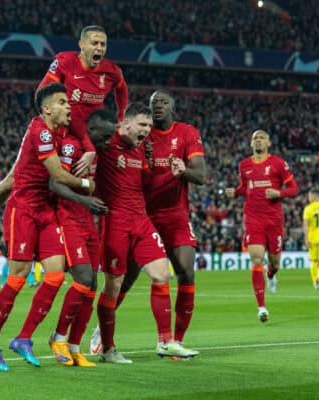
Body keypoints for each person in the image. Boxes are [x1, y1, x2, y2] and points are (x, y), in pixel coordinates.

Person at [0, 25, 128, 246]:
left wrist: (121, 117)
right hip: (61, 132)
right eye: (94, 43)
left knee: (105, 188)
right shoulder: (64, 62)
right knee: (12, 182)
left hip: (90, 138)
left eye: (103, 44)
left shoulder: (111, 70)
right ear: (81, 45)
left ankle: (103, 249)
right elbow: (41, 95)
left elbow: (121, 87)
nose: (99, 48)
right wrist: (52, 129)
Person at [0, 83, 96, 372]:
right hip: (24, 210)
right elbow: (56, 174)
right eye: (62, 102)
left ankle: (23, 338)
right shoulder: (41, 131)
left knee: (55, 275)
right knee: (17, 278)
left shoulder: (58, 133)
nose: (68, 106)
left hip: (46, 212)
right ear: (47, 109)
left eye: (68, 101)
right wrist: (86, 185)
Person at [90, 90, 206, 357]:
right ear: (127, 123)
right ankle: (102, 334)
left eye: (164, 102)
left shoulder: (183, 134)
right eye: (153, 105)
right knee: (122, 282)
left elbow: (198, 174)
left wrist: (181, 171)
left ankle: (171, 341)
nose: (158, 108)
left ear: (174, 106)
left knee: (180, 272)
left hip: (167, 216)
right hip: (132, 217)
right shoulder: (119, 143)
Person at [46, 108, 114, 367]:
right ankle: (58, 336)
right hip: (68, 218)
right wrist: (83, 200)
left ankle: (75, 346)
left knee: (93, 286)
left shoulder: (97, 153)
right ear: (92, 130)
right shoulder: (71, 147)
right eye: (104, 136)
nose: (107, 142)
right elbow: (54, 183)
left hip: (89, 221)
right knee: (83, 278)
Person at [225, 130, 298, 322]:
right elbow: (245, 187)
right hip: (253, 218)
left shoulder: (278, 163)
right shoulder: (244, 165)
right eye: (255, 138)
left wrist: (278, 194)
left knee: (274, 264)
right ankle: (261, 307)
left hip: (274, 220)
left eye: (262, 138)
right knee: (257, 259)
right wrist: (236, 191)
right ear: (251, 144)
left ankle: (271, 275)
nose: (258, 141)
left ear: (269, 143)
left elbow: (294, 188)